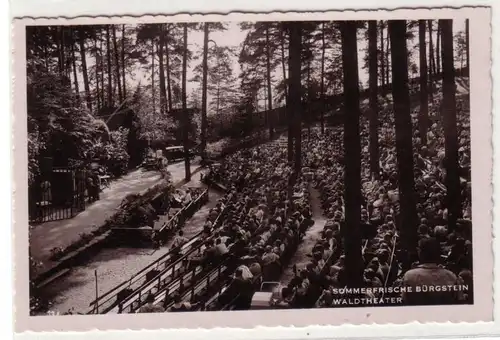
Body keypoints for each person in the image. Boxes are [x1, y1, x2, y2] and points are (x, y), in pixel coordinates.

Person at [402, 237, 465, 305]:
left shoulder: (409, 276)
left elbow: (404, 301)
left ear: (420, 252)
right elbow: (459, 301)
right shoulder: (451, 276)